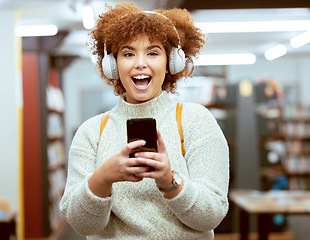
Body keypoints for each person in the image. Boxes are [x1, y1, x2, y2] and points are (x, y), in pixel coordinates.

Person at [60, 2, 229, 239]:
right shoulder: (92, 132)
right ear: (113, 65)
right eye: (128, 54)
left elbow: (211, 215)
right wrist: (103, 178)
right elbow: (83, 226)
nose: (141, 63)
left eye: (152, 52)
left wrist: (170, 181)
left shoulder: (196, 121)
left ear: (171, 62)